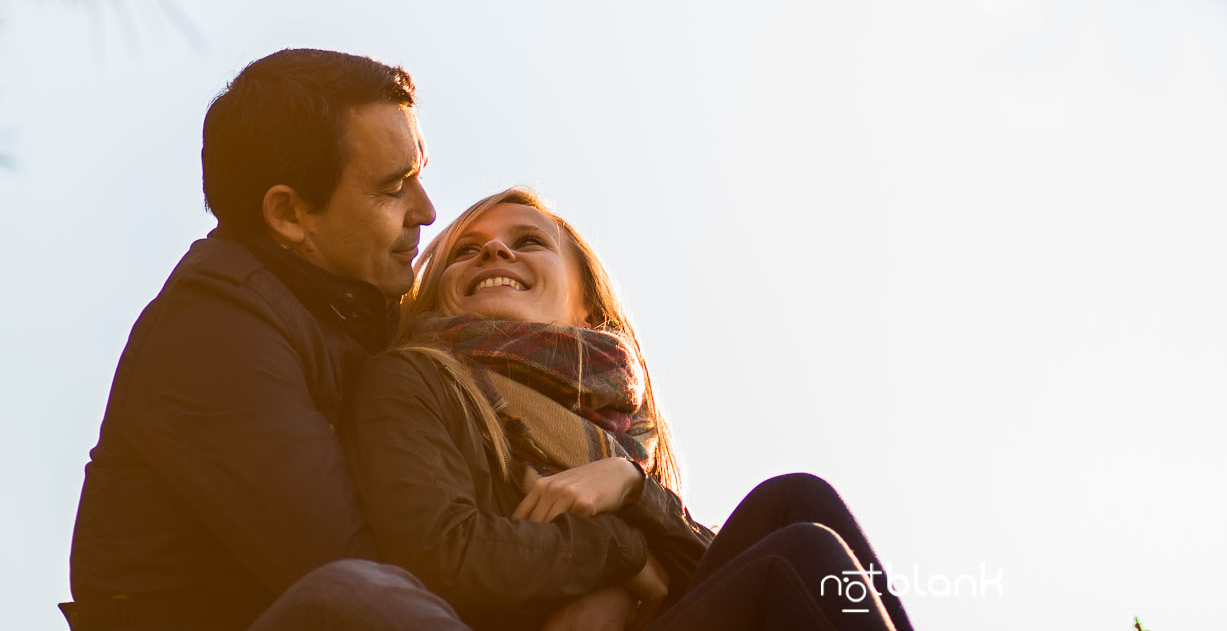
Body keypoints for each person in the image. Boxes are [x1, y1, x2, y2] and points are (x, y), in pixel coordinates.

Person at [349, 188, 918, 631]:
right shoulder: (417, 378)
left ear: (586, 300)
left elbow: (695, 570)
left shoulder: (625, 439)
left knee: (796, 500)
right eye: (465, 251)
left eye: (528, 242)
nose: (495, 251)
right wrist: (622, 553)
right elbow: (445, 553)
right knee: (801, 553)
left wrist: (630, 486)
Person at [63, 48, 472, 631]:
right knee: (355, 594)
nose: (427, 211)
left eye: (420, 174)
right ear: (289, 213)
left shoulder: (365, 314)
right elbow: (352, 562)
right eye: (393, 187)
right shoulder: (211, 329)